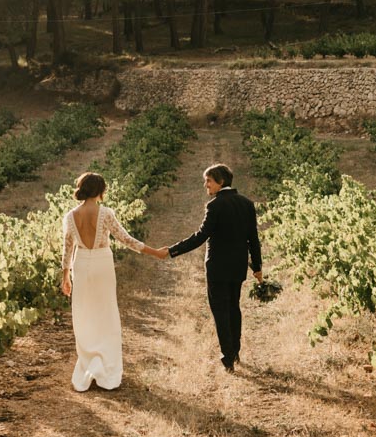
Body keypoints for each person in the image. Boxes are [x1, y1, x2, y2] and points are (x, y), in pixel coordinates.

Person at [61, 171, 164, 392]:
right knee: (106, 313)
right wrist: (155, 252)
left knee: (84, 314)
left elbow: (67, 248)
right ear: (100, 191)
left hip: (81, 264)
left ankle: (89, 363)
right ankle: (104, 366)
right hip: (102, 264)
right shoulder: (105, 213)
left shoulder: (70, 216)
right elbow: (126, 239)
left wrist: (65, 276)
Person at [155, 163, 262, 372]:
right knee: (233, 307)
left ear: (220, 182)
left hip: (217, 267)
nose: (206, 185)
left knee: (220, 310)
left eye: (209, 181)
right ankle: (235, 350)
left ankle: (227, 356)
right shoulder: (247, 204)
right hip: (238, 266)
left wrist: (172, 250)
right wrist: (257, 266)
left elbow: (200, 237)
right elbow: (253, 239)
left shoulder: (215, 205)